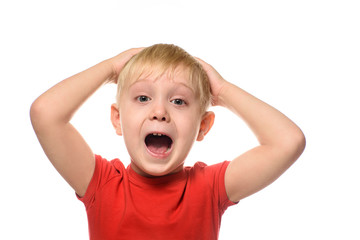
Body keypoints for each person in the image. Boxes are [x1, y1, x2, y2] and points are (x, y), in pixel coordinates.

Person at [30, 44, 305, 239]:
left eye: (178, 101)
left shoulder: (208, 188)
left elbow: (288, 141)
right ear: (117, 119)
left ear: (203, 126)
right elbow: (45, 114)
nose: (159, 112)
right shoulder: (102, 184)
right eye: (142, 98)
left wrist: (221, 91)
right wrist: (110, 69)